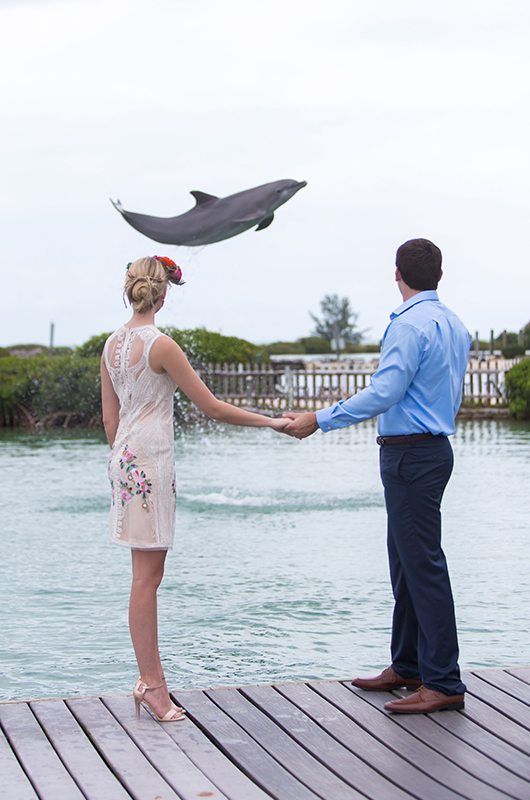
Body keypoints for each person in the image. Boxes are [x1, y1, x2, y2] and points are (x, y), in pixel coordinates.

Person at [283, 238, 471, 714]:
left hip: (410, 455)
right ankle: (408, 666)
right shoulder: (454, 323)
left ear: (396, 274)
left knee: (422, 565)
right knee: (406, 562)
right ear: (440, 276)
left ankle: (444, 681)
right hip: (432, 451)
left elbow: (385, 392)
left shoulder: (408, 325)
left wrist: (319, 419)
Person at [100, 255, 288, 723]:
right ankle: (152, 685)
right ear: (163, 295)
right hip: (151, 459)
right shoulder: (160, 345)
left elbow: (109, 420)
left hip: (123, 458)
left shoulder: (110, 345)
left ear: (131, 290)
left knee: (144, 575)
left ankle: (151, 680)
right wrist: (272, 423)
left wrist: (124, 459)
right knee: (147, 578)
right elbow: (214, 408)